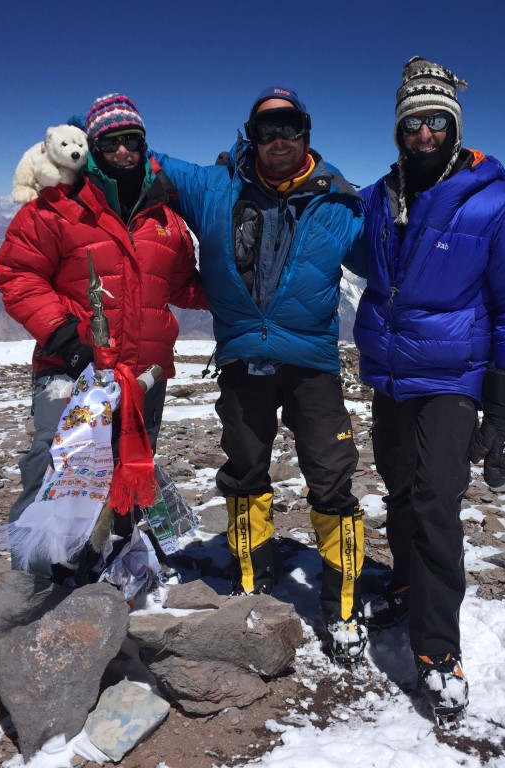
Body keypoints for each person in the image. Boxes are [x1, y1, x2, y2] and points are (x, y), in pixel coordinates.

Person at [353, 57, 505, 720]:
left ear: (455, 125)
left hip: (452, 379)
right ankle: (408, 583)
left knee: (438, 503)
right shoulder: (380, 199)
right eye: (413, 122)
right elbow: (342, 241)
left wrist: (504, 409)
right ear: (398, 129)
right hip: (391, 375)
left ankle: (438, 651)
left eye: (438, 121)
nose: (425, 133)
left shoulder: (500, 202)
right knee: (402, 489)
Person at [153, 87, 368, 663]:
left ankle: (342, 607)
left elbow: (398, 262)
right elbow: (136, 158)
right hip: (244, 359)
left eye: (290, 127)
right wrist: (87, 135)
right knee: (245, 469)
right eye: (267, 129)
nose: (279, 139)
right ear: (251, 135)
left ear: (307, 133)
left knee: (331, 477)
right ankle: (254, 576)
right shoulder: (212, 187)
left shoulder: (342, 205)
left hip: (313, 364)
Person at [0, 93, 206, 575]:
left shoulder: (166, 220)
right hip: (72, 366)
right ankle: (36, 577)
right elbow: (16, 273)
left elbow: (184, 287)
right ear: (92, 149)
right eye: (110, 143)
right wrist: (63, 333)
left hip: (143, 376)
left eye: (132, 141)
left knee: (128, 472)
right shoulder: (56, 209)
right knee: (53, 464)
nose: (124, 153)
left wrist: (243, 284)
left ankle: (109, 565)